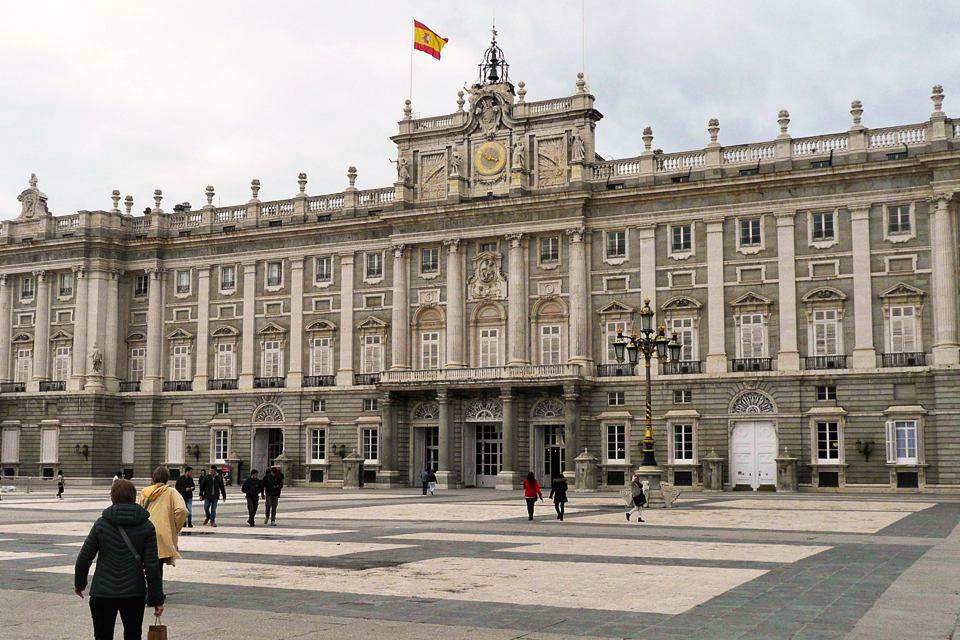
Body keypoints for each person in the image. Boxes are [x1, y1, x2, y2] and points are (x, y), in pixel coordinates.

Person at [75, 479, 164, 640]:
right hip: (134, 593)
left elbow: (84, 558)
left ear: (113, 497)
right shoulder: (147, 526)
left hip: (102, 593)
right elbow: (152, 566)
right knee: (133, 635)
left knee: (102, 636)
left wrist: (79, 584)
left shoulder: (101, 524)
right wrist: (156, 599)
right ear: (133, 496)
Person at [138, 466, 187, 580]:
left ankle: (147, 589)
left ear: (154, 477)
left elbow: (138, 511)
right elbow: (182, 510)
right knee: (158, 564)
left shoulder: (145, 492)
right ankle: (157, 592)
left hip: (146, 531)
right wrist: (175, 527)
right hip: (163, 533)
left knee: (147, 562)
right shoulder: (171, 492)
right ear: (167, 478)